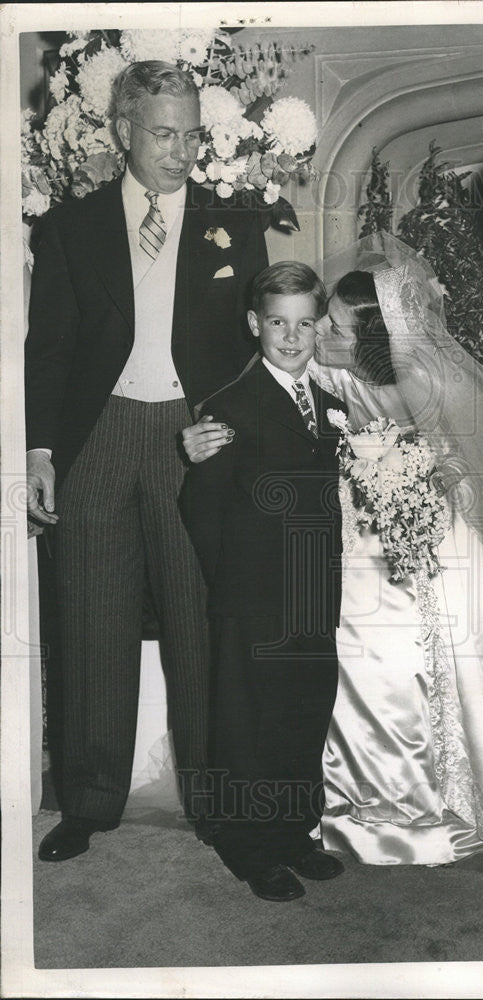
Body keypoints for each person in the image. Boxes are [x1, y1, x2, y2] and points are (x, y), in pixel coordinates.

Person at [184, 234, 483, 865]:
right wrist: (199, 439)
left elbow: (459, 461)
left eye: (329, 325)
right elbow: (251, 402)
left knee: (393, 655)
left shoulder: (421, 379)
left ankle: (400, 802)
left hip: (419, 522)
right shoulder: (310, 368)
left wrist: (412, 491)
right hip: (317, 540)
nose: (314, 337)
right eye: (315, 324)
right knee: (295, 683)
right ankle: (287, 827)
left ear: (370, 334)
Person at [25, 60, 268, 862]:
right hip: (99, 436)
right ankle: (90, 802)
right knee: (90, 617)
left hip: (189, 438)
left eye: (192, 133)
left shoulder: (233, 219)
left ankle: (213, 798)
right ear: (124, 130)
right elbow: (51, 347)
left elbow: (250, 350)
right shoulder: (70, 225)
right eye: (164, 133)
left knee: (200, 619)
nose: (180, 150)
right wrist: (40, 451)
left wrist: (237, 444)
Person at [178, 262, 345, 901]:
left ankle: (294, 830)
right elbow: (203, 510)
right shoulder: (227, 406)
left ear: (320, 328)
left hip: (312, 591)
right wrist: (234, 592)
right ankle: (250, 845)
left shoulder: (331, 407)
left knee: (304, 708)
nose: (292, 336)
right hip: (250, 596)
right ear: (256, 324)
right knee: (250, 718)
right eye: (278, 322)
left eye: (305, 323)